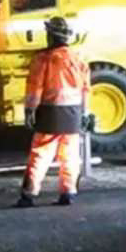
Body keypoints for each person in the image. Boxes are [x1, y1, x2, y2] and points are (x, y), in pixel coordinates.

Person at [18, 16, 92, 207]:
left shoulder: (44, 59)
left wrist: (29, 111)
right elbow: (86, 89)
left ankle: (29, 194)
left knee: (40, 153)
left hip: (50, 113)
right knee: (70, 155)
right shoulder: (78, 58)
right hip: (74, 114)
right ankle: (68, 193)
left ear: (51, 35)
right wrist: (85, 113)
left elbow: (35, 88)